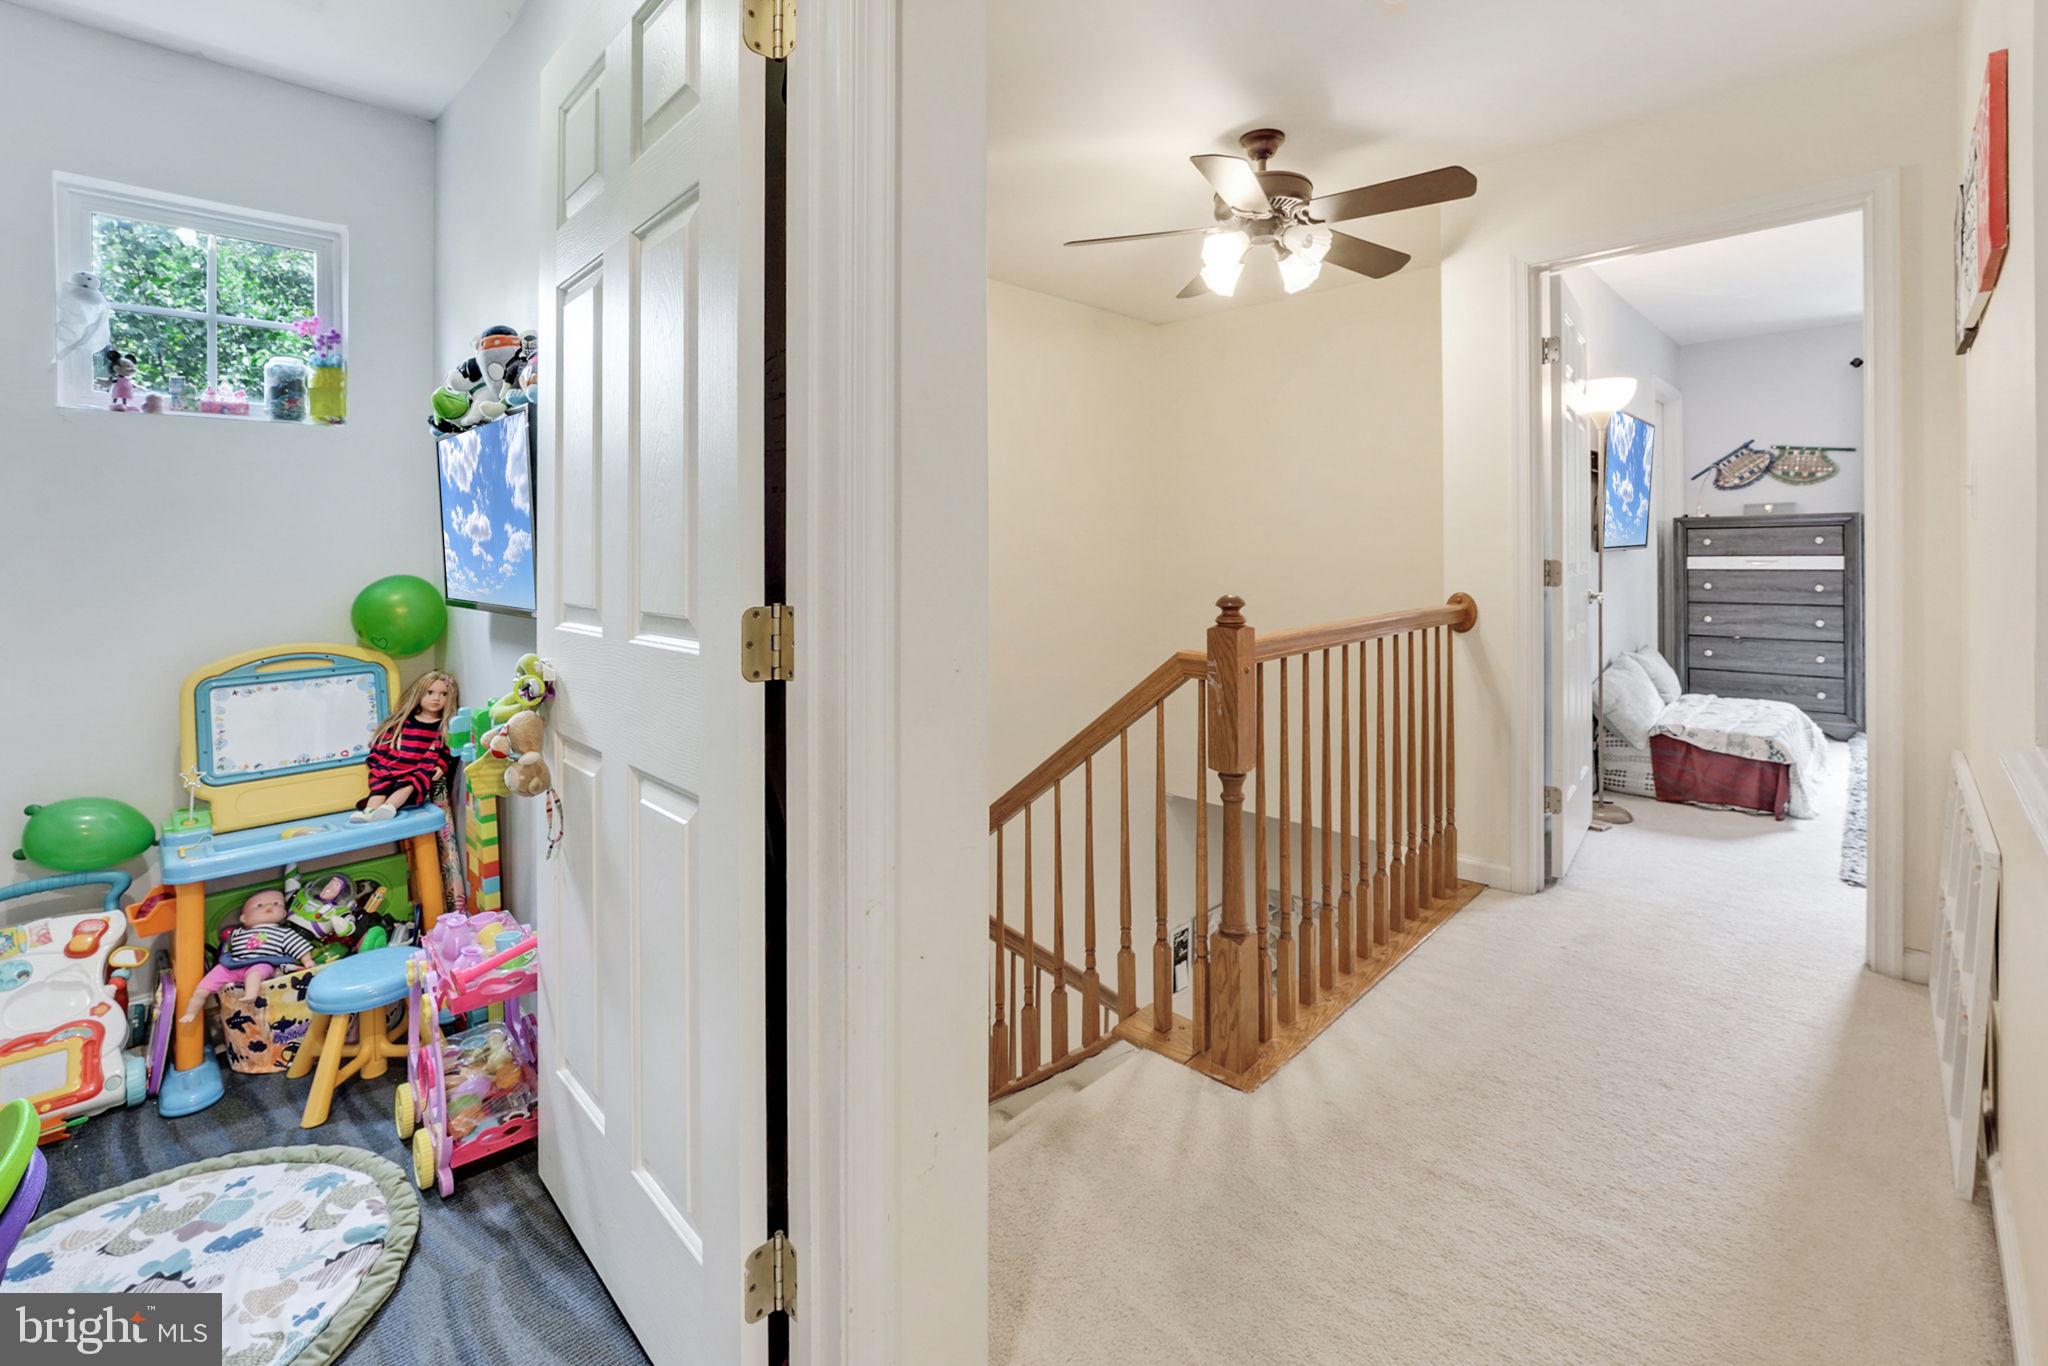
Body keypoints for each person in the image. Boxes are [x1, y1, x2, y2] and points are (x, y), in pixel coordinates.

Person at [178, 889, 317, 1023]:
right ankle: (191, 1012)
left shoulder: (284, 933)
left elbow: (298, 945)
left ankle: (250, 994)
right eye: (259, 905)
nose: (269, 906)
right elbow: (227, 947)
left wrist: (308, 960)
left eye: (276, 903)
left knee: (255, 974)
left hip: (263, 963)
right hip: (234, 964)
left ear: (284, 913)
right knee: (203, 987)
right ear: (244, 918)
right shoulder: (237, 933)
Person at [351, 671, 459, 823]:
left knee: (410, 782)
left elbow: (447, 752)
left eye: (443, 694)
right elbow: (384, 743)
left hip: (418, 768)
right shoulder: (403, 721)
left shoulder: (443, 728)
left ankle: (389, 807)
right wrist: (378, 761)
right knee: (380, 784)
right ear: (419, 693)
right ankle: (369, 811)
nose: (436, 698)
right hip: (395, 763)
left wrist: (441, 766)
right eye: (430, 693)